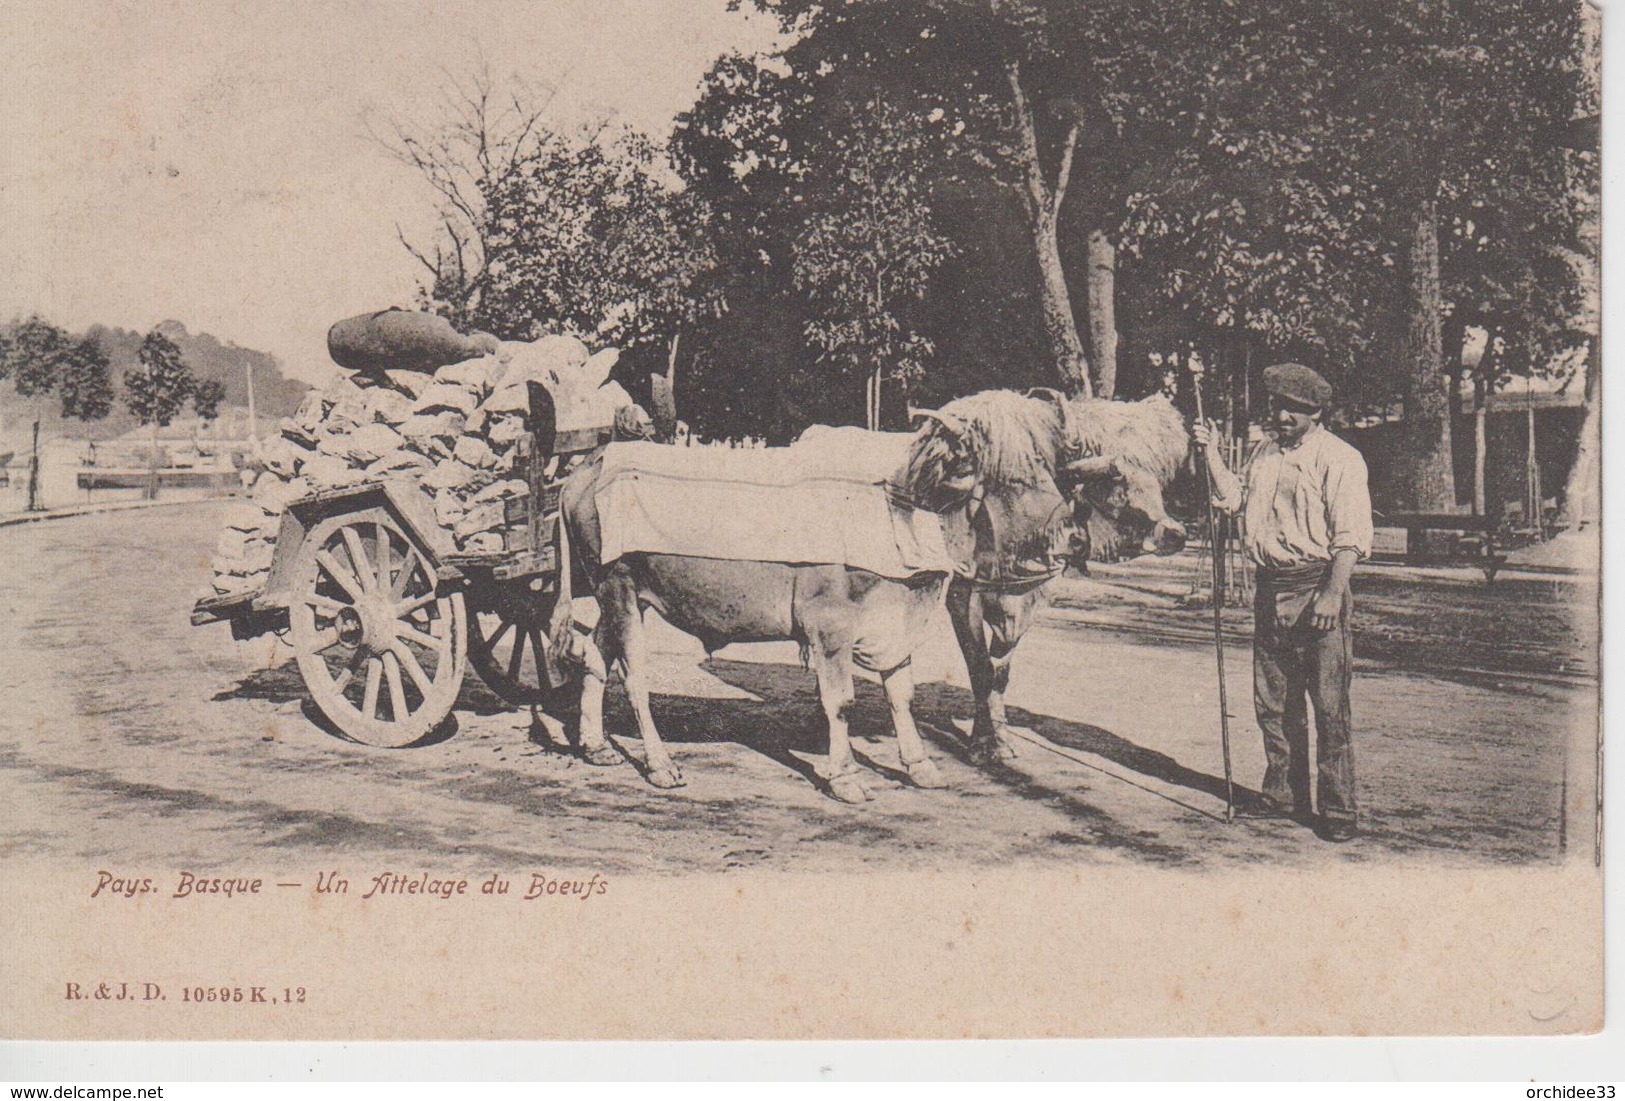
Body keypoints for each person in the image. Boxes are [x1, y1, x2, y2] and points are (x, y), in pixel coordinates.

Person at [1193, 363, 1373, 842]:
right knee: (1273, 702)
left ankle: (1338, 810)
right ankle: (1282, 795)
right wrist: (1211, 453)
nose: (1283, 416)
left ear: (1316, 412)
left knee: (1329, 706)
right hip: (1270, 588)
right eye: (1278, 406)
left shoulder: (1340, 458)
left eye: (1295, 409)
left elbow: (1350, 537)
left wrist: (1333, 594)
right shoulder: (1265, 453)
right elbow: (1231, 500)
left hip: (1317, 587)